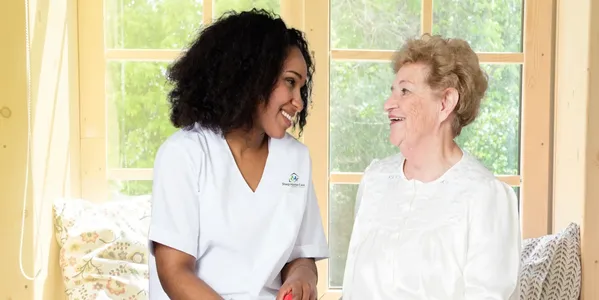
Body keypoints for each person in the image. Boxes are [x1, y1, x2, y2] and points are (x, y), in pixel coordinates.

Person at [147, 9, 329, 300]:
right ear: (252, 77)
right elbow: (173, 270)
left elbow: (301, 255)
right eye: (290, 82)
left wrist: (300, 278)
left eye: (302, 88)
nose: (298, 101)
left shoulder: (295, 158)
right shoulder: (184, 154)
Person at [341, 34, 521, 300]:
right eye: (392, 92)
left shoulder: (486, 197)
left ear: (445, 103)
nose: (388, 104)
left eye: (405, 91)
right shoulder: (375, 181)